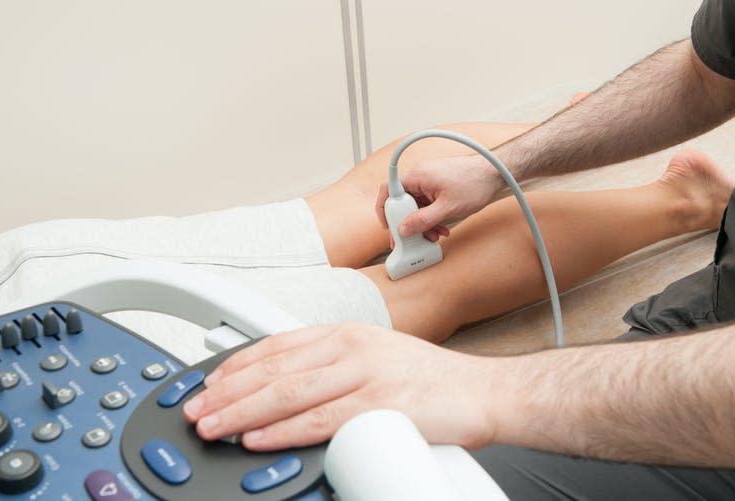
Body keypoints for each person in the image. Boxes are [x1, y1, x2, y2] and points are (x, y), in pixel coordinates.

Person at [183, 0, 735, 498]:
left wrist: (483, 385)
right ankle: (601, 163)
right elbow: (706, 75)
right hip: (711, 312)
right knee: (332, 217)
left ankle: (681, 201)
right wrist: (502, 166)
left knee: (425, 289)